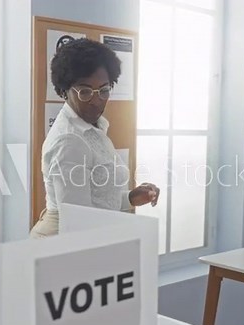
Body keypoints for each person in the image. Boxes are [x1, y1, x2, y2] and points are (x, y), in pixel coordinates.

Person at [30, 38, 160, 239]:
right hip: (63, 244)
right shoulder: (70, 140)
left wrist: (130, 198)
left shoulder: (94, 128)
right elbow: (79, 222)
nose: (96, 100)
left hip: (84, 239)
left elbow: (97, 201)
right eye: (85, 91)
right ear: (64, 91)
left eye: (104, 90)